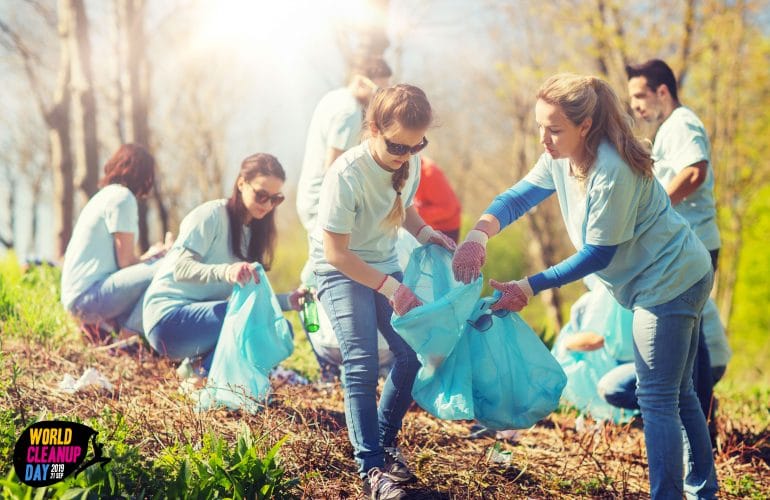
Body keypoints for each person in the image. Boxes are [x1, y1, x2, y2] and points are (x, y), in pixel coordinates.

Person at [452, 74, 717, 499]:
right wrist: (479, 233)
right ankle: (703, 491)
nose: (544, 139)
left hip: (669, 281)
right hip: (674, 272)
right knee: (678, 392)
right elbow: (518, 197)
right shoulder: (561, 155)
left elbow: (598, 254)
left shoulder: (612, 169)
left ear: (585, 126)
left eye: (554, 130)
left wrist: (529, 286)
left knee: (656, 397)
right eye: (540, 127)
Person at [311, 84, 456, 499]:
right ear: (373, 128)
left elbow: (403, 208)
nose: (405, 155)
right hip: (341, 270)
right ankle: (372, 470)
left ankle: (383, 443)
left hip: (384, 263)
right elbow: (336, 253)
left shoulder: (408, 162)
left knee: (411, 355)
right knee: (361, 361)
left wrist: (427, 234)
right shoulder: (346, 174)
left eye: (416, 145)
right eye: (396, 146)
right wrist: (391, 287)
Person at [143, 153, 298, 380]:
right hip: (167, 320)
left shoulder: (253, 233)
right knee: (251, 321)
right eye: (261, 195)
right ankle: (202, 377)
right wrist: (226, 271)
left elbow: (249, 299)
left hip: (200, 324)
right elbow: (180, 268)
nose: (267, 205)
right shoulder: (211, 215)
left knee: (281, 328)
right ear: (241, 183)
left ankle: (194, 372)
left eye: (275, 199)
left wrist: (289, 301)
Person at [627, 59, 722, 423]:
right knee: (692, 341)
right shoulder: (669, 128)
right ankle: (703, 427)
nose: (636, 105)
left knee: (688, 343)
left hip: (694, 246)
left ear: (662, 91)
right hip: (687, 248)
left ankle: (699, 428)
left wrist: (655, 209)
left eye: (640, 96)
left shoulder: (682, 123)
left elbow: (695, 171)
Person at [296, 57, 392, 284]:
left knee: (326, 257)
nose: (378, 98)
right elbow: (334, 167)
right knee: (329, 260)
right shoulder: (349, 112)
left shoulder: (333, 97)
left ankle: (306, 291)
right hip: (321, 200)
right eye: (378, 90)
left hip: (307, 195)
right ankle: (304, 293)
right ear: (362, 82)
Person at [61, 143, 169, 340]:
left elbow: (120, 264)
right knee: (166, 268)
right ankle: (127, 339)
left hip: (79, 297)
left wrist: (149, 257)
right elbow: (125, 263)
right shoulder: (123, 197)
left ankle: (104, 329)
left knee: (159, 266)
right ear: (142, 174)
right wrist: (157, 258)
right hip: (87, 298)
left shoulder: (104, 196)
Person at [598, 297, 731, 412]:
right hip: (716, 362)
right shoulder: (688, 282)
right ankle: (694, 406)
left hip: (696, 366)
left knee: (611, 387)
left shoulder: (663, 291)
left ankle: (664, 414)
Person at [414, 156, 462, 243]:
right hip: (424, 226)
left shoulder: (429, 173)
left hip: (445, 230)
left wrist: (416, 213)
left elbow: (448, 209)